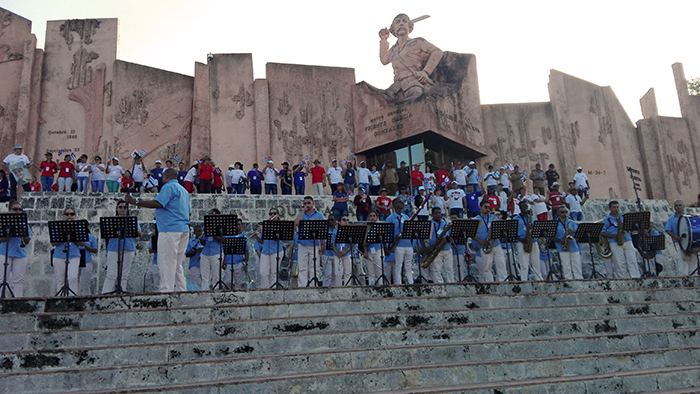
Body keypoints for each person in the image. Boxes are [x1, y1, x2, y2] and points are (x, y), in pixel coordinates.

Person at [125, 168, 190, 292]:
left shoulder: (168, 187)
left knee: (166, 261)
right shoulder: (184, 191)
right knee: (177, 263)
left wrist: (136, 202)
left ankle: (166, 291)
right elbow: (189, 212)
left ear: (166, 177)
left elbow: (158, 203)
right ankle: (181, 290)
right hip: (183, 229)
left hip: (169, 228)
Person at [378, 13, 443, 102]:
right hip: (397, 87)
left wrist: (425, 72)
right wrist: (384, 39)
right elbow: (384, 60)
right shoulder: (393, 50)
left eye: (404, 21)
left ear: (410, 27)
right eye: (398, 22)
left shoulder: (417, 42)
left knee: (415, 101)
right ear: (393, 30)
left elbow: (437, 52)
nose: (401, 23)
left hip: (413, 83)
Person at [101, 200, 142, 293]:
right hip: (113, 247)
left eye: (124, 207)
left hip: (128, 247)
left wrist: (129, 226)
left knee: (124, 275)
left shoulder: (131, 220)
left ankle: (122, 293)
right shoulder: (111, 220)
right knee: (111, 273)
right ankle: (106, 294)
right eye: (120, 207)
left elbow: (139, 233)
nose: (122, 209)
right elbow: (105, 233)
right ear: (117, 208)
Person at [0, 200, 31, 297]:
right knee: (3, 278)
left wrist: (23, 232)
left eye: (20, 209)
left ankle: (18, 299)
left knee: (19, 279)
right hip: (5, 252)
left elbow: (27, 241)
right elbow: (1, 239)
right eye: (15, 209)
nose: (18, 211)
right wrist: (11, 232)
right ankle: (3, 299)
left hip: (20, 252)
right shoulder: (3, 223)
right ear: (9, 210)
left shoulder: (24, 223)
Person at [602, 201, 641, 278]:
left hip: (627, 239)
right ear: (609, 208)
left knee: (632, 260)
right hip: (614, 241)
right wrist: (612, 236)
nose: (616, 209)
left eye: (617, 207)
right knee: (619, 263)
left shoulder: (624, 217)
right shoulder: (606, 220)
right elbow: (602, 233)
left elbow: (634, 227)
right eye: (614, 207)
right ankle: (623, 279)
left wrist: (626, 226)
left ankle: (635, 277)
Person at [293, 196, 325, 287]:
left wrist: (323, 244)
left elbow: (323, 230)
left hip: (315, 244)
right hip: (302, 243)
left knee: (314, 267)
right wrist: (303, 211)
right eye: (305, 203)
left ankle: (313, 285)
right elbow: (296, 223)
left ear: (313, 203)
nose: (307, 205)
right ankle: (302, 286)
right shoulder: (301, 214)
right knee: (302, 267)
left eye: (309, 203)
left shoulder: (319, 215)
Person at [51, 207, 84, 295]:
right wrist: (62, 234)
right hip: (59, 255)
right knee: (60, 280)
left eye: (72, 214)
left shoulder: (78, 227)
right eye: (67, 214)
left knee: (73, 277)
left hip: (74, 255)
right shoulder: (57, 227)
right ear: (63, 216)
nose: (69, 216)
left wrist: (73, 234)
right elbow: (53, 243)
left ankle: (73, 298)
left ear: (75, 216)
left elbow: (81, 244)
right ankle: (60, 299)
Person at [473, 200, 507, 282]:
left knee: (501, 265)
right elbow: (471, 234)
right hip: (484, 245)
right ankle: (490, 284)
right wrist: (481, 241)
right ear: (480, 207)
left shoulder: (493, 217)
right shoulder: (476, 219)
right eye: (485, 207)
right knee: (487, 268)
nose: (488, 209)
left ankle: (503, 283)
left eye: (489, 207)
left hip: (496, 244)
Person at [253, 210, 284, 288]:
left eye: (274, 214)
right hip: (265, 251)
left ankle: (273, 290)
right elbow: (263, 241)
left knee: (273, 273)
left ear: (278, 215)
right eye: (270, 214)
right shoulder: (266, 226)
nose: (272, 215)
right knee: (263, 272)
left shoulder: (281, 225)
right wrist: (256, 237)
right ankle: (265, 289)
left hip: (276, 250)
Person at [386, 198, 414, 284]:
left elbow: (411, 231)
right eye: (400, 202)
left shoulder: (406, 217)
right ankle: (398, 283)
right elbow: (388, 234)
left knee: (408, 266)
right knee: (398, 265)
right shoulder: (390, 218)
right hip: (398, 245)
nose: (402, 203)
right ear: (395, 205)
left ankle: (410, 283)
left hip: (408, 244)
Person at [199, 208, 226, 290]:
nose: (210, 215)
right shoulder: (205, 226)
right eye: (209, 213)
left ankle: (216, 291)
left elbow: (224, 240)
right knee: (204, 276)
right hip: (205, 252)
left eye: (213, 213)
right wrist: (200, 238)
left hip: (216, 252)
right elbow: (204, 241)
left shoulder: (222, 227)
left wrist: (213, 234)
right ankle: (204, 292)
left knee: (216, 276)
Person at [514, 202, 542, 281]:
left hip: (533, 241)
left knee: (536, 263)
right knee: (524, 264)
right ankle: (524, 280)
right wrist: (521, 239)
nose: (525, 208)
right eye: (523, 206)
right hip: (521, 242)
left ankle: (539, 279)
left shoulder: (532, 218)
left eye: (526, 206)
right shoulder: (516, 218)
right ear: (520, 207)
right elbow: (513, 233)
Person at [665, 199, 694, 276]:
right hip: (678, 242)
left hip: (690, 242)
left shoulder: (688, 217)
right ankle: (683, 276)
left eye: (680, 205)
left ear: (683, 206)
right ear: (674, 207)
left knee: (693, 258)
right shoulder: (671, 219)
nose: (678, 207)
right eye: (676, 205)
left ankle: (693, 275)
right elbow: (668, 230)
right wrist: (675, 236)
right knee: (682, 259)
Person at [553, 206, 583, 280]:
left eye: (566, 212)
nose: (564, 214)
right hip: (562, 246)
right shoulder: (554, 224)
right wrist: (560, 241)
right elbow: (550, 237)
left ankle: (579, 279)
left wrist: (573, 231)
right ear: (558, 213)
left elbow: (579, 233)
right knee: (566, 266)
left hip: (573, 246)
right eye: (562, 212)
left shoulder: (571, 222)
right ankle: (568, 279)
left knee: (577, 264)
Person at [426, 206, 454, 283]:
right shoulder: (429, 224)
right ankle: (440, 285)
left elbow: (450, 234)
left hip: (447, 248)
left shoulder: (445, 223)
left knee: (449, 269)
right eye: (436, 213)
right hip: (436, 249)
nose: (438, 215)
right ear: (432, 215)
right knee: (436, 270)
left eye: (439, 213)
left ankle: (451, 284)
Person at [226, 218, 249, 289]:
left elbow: (246, 251)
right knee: (228, 282)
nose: (237, 226)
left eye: (239, 225)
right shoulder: (228, 237)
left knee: (238, 283)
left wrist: (246, 262)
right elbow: (224, 250)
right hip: (228, 262)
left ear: (241, 226)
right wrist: (223, 261)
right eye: (236, 225)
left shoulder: (244, 238)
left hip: (239, 262)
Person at [363, 211, 383, 286]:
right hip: (369, 250)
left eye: (374, 216)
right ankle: (371, 286)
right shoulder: (366, 227)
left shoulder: (380, 227)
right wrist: (365, 252)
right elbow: (364, 242)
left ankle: (381, 285)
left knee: (379, 270)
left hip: (378, 249)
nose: (372, 217)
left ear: (377, 217)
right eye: (370, 216)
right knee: (371, 272)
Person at [78, 228, 98, 296]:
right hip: (75, 260)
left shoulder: (91, 237)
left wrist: (85, 245)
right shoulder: (74, 236)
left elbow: (95, 250)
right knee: (72, 281)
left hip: (86, 261)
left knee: (85, 284)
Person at [185, 225, 204, 289]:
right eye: (199, 231)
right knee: (194, 283)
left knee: (205, 283)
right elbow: (187, 254)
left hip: (205, 265)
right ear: (194, 233)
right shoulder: (190, 242)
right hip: (194, 265)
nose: (200, 233)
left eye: (201, 231)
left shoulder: (205, 241)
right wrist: (196, 251)